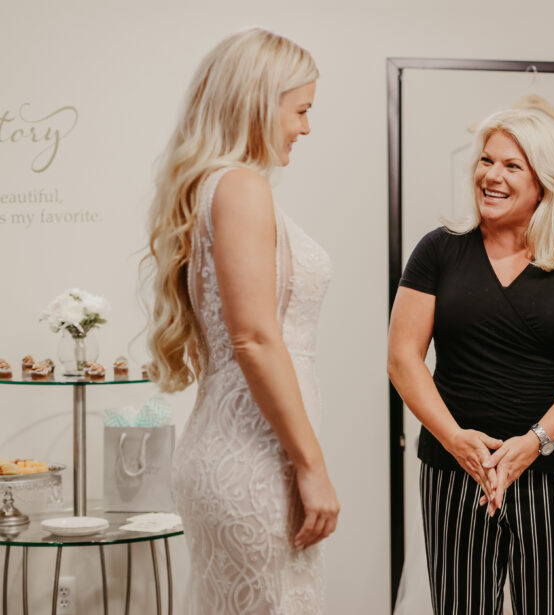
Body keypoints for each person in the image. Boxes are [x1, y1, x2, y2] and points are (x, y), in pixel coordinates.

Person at [387, 109, 554, 614]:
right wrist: (455, 441)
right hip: (458, 471)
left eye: (512, 166)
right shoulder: (438, 251)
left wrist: (533, 442)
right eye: (485, 161)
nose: (491, 176)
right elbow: (402, 358)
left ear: (544, 181)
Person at [144, 28, 339, 614]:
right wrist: (313, 468)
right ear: (259, 103)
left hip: (238, 450)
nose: (306, 128)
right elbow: (254, 339)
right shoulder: (240, 187)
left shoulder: (214, 188)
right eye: (301, 110)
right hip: (256, 459)